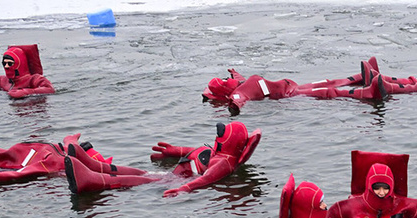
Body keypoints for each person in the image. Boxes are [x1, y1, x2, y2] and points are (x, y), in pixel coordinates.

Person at [64, 121, 261, 197]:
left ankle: (90, 181)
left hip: (175, 180)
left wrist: (182, 189)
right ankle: (91, 164)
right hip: (171, 175)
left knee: (142, 179)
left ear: (229, 139)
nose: (218, 136)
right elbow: (192, 151)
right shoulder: (216, 154)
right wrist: (173, 150)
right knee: (140, 172)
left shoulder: (223, 163)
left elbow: (204, 179)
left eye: (222, 134)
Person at [201, 60, 395, 114]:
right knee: (327, 91)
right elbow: (238, 100)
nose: (226, 80)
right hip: (291, 97)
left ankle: (362, 76)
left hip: (292, 88)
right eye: (224, 82)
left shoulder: (241, 83)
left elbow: (240, 80)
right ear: (227, 91)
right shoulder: (239, 93)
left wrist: (234, 73)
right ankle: (368, 92)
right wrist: (234, 107)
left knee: (326, 83)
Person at [0, 133, 112, 185]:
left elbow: (70, 141)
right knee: (6, 158)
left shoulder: (67, 153)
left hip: (27, 151)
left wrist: (72, 138)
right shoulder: (62, 161)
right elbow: (70, 141)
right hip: (28, 153)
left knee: (4, 155)